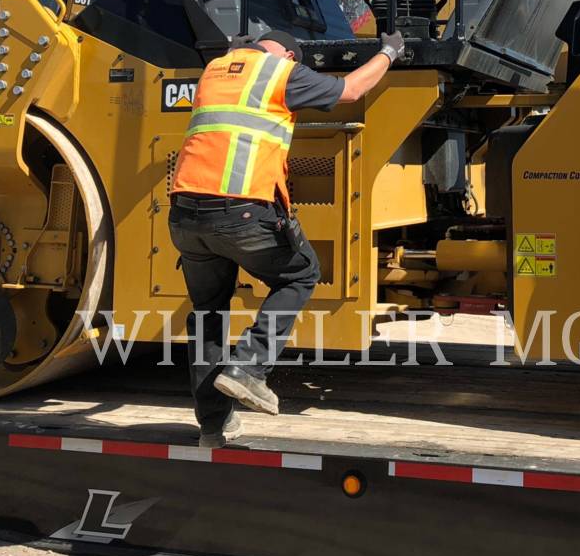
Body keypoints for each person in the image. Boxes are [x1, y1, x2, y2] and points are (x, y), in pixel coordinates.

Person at [168, 27, 405, 447]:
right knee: (299, 276)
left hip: (185, 216)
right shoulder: (280, 72)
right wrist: (389, 51)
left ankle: (213, 425)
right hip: (240, 211)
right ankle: (248, 369)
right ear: (289, 55)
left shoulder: (214, 70)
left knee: (207, 314)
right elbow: (350, 90)